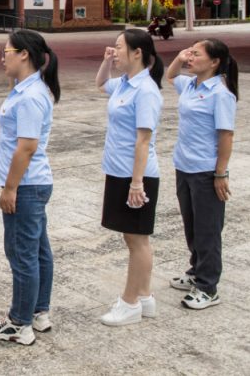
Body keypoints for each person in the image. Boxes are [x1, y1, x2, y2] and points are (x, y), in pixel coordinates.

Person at [0, 30, 61, 346]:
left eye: (7, 51)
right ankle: (39, 312)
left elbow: (26, 147)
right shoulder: (26, 89)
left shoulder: (31, 96)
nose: (2, 57)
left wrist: (10, 188)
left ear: (24, 55)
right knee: (37, 251)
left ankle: (20, 323)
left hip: (26, 185)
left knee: (22, 254)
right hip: (33, 183)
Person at [94, 28, 164, 326]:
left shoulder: (146, 90)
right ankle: (145, 296)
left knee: (138, 241)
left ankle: (130, 303)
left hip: (135, 175)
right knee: (134, 237)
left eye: (120, 47)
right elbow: (99, 84)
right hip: (119, 170)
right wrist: (107, 62)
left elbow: (143, 141)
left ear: (138, 53)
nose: (115, 50)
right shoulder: (124, 83)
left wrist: (137, 183)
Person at [166, 38, 238, 310]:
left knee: (208, 229)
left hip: (206, 170)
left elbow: (226, 135)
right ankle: (196, 270)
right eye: (190, 53)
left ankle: (208, 287)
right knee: (191, 224)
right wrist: (180, 56)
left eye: (196, 54)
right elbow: (170, 75)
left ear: (215, 61)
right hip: (184, 165)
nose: (190, 58)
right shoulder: (190, 84)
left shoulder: (221, 93)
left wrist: (221, 173)